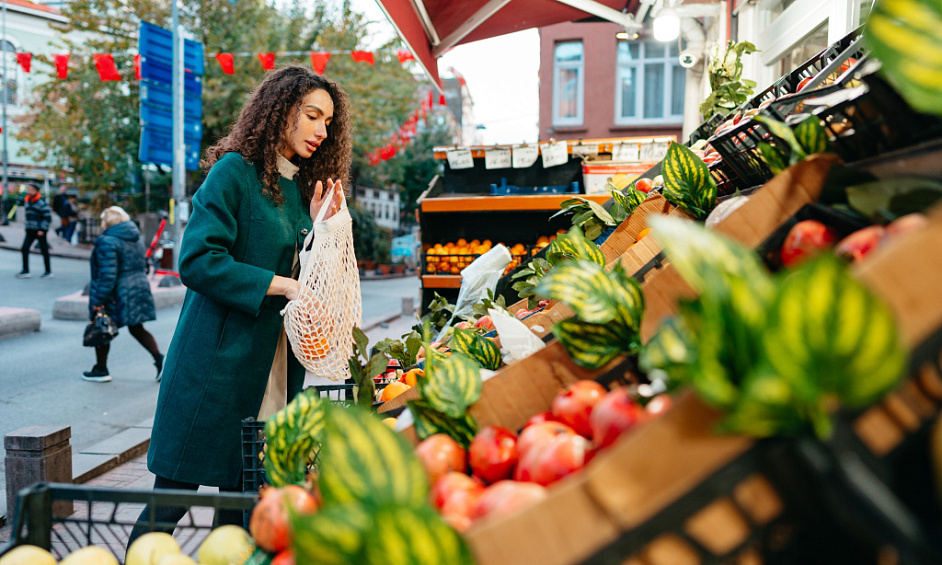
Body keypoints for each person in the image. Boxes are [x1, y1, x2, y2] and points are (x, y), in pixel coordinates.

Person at [128, 66, 352, 542]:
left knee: (243, 504)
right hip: (215, 367)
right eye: (313, 115)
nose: (321, 130)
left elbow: (303, 274)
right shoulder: (235, 171)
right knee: (170, 501)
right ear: (281, 110)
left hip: (270, 369)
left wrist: (316, 229)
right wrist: (280, 285)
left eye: (328, 122)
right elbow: (198, 260)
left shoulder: (298, 187)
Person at [84, 206, 164, 383]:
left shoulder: (107, 241)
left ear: (108, 222)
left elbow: (107, 274)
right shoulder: (136, 238)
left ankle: (101, 369)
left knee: (102, 325)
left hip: (117, 291)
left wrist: (98, 299)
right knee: (136, 328)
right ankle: (160, 360)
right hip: (137, 286)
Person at [16, 184, 53, 278]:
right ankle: (25, 270)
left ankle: (48, 271)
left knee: (44, 250)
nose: (29, 191)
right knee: (24, 248)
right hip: (30, 229)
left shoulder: (41, 202)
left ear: (36, 191)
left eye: (31, 190)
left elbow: (48, 217)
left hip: (39, 230)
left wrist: (42, 229)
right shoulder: (27, 200)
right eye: (28, 189)